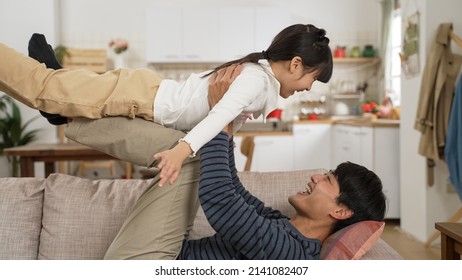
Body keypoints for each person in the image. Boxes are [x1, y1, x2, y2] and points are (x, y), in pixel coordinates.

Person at [64, 66, 386, 260]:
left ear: (341, 211)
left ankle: (71, 116)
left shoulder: (289, 254)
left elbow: (219, 197)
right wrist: (225, 118)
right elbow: (232, 186)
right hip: (165, 252)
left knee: (189, 153)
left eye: (328, 180)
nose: (316, 177)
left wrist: (220, 114)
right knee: (189, 147)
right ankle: (73, 111)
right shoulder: (281, 226)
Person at [0, 23, 333, 187]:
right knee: (41, 87)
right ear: (295, 64)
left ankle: (59, 88)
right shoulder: (256, 80)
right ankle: (55, 81)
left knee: (58, 93)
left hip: (142, 98)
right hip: (140, 95)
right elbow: (219, 116)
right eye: (312, 79)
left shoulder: (259, 81)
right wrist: (181, 151)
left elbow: (226, 129)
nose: (308, 88)